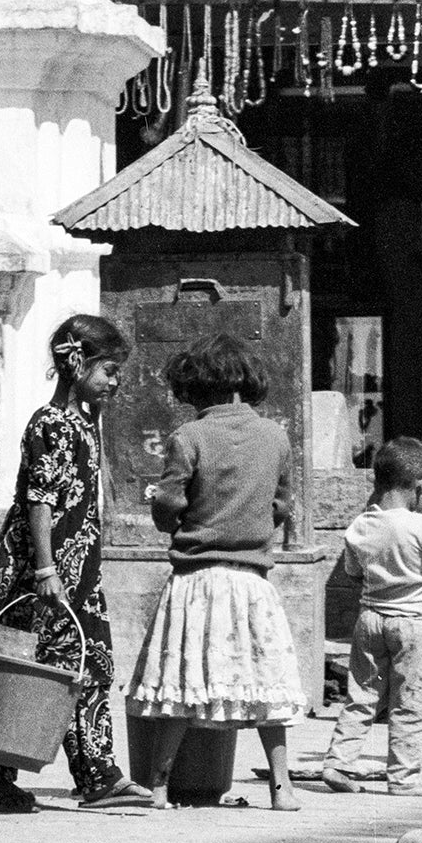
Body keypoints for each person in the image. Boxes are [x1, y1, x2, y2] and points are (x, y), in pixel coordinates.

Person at [0, 313, 154, 812]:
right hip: (38, 571)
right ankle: (0, 780)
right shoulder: (50, 424)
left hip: (79, 572)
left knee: (87, 666)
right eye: (109, 370)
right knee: (14, 667)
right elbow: (39, 500)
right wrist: (46, 571)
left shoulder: (87, 423)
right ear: (77, 364)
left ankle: (98, 776)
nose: (114, 382)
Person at [125, 333, 306, 811]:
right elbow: (283, 507)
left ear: (197, 387)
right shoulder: (276, 437)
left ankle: (160, 785)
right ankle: (282, 788)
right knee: (266, 686)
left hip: (196, 581)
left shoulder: (188, 438)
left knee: (180, 686)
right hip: (251, 582)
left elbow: (169, 509)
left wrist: (163, 506)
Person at [322, 436, 422, 797]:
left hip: (370, 620)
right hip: (414, 624)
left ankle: (338, 762)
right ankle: (403, 779)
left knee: (361, 695)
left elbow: (353, 574)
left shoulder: (360, 526)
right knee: (412, 701)